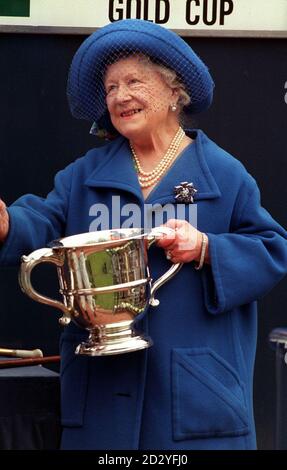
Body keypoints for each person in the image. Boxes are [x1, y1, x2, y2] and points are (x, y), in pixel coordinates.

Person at [0, 19, 287, 450]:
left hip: (194, 403)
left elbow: (272, 249)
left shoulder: (223, 174)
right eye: (111, 87)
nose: (119, 96)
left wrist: (206, 247)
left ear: (175, 91)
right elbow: (39, 223)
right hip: (101, 404)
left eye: (134, 81)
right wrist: (6, 223)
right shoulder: (84, 175)